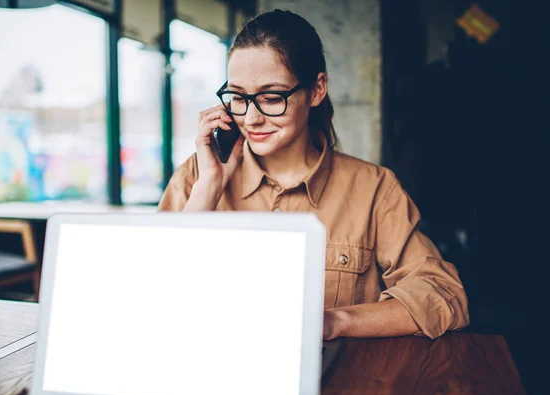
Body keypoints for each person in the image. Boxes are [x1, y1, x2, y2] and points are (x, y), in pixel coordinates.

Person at [158, 9, 469, 340]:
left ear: (317, 89)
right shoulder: (197, 176)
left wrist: (335, 322)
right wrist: (208, 188)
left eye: (271, 97)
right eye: (238, 97)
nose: (250, 118)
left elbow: (443, 296)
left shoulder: (374, 189)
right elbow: (151, 293)